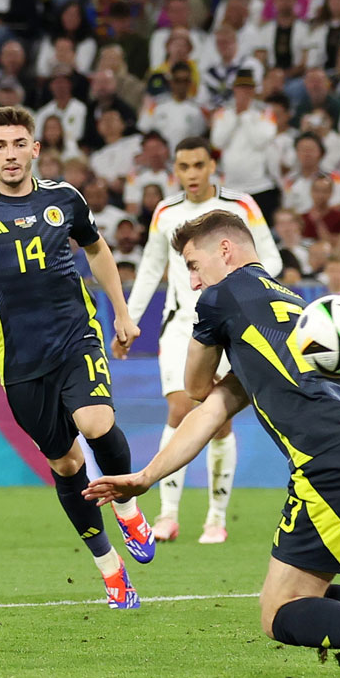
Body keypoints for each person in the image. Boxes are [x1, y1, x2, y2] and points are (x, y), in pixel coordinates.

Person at [84, 210, 340, 678]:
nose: (191, 278)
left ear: (225, 250)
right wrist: (146, 476)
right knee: (310, 590)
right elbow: (210, 413)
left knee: (279, 613)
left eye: (192, 263)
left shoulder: (223, 297)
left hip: (329, 463)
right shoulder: (284, 304)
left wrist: (209, 355)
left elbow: (195, 388)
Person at [0, 106, 154, 609]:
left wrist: (121, 311)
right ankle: (109, 568)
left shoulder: (65, 199)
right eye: (0, 146)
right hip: (21, 364)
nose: (11, 155)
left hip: (77, 338)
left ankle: (128, 505)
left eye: (19, 144)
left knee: (96, 424)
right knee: (66, 462)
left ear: (35, 149)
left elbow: (96, 251)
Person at [118, 136, 282, 544]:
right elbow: (151, 268)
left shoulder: (241, 206)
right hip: (179, 326)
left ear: (213, 166)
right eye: (183, 166)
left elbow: (271, 259)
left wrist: (249, 297)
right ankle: (168, 514)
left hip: (230, 325)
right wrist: (129, 321)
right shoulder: (165, 212)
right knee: (179, 408)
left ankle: (215, 517)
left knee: (219, 419)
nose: (191, 174)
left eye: (198, 165)